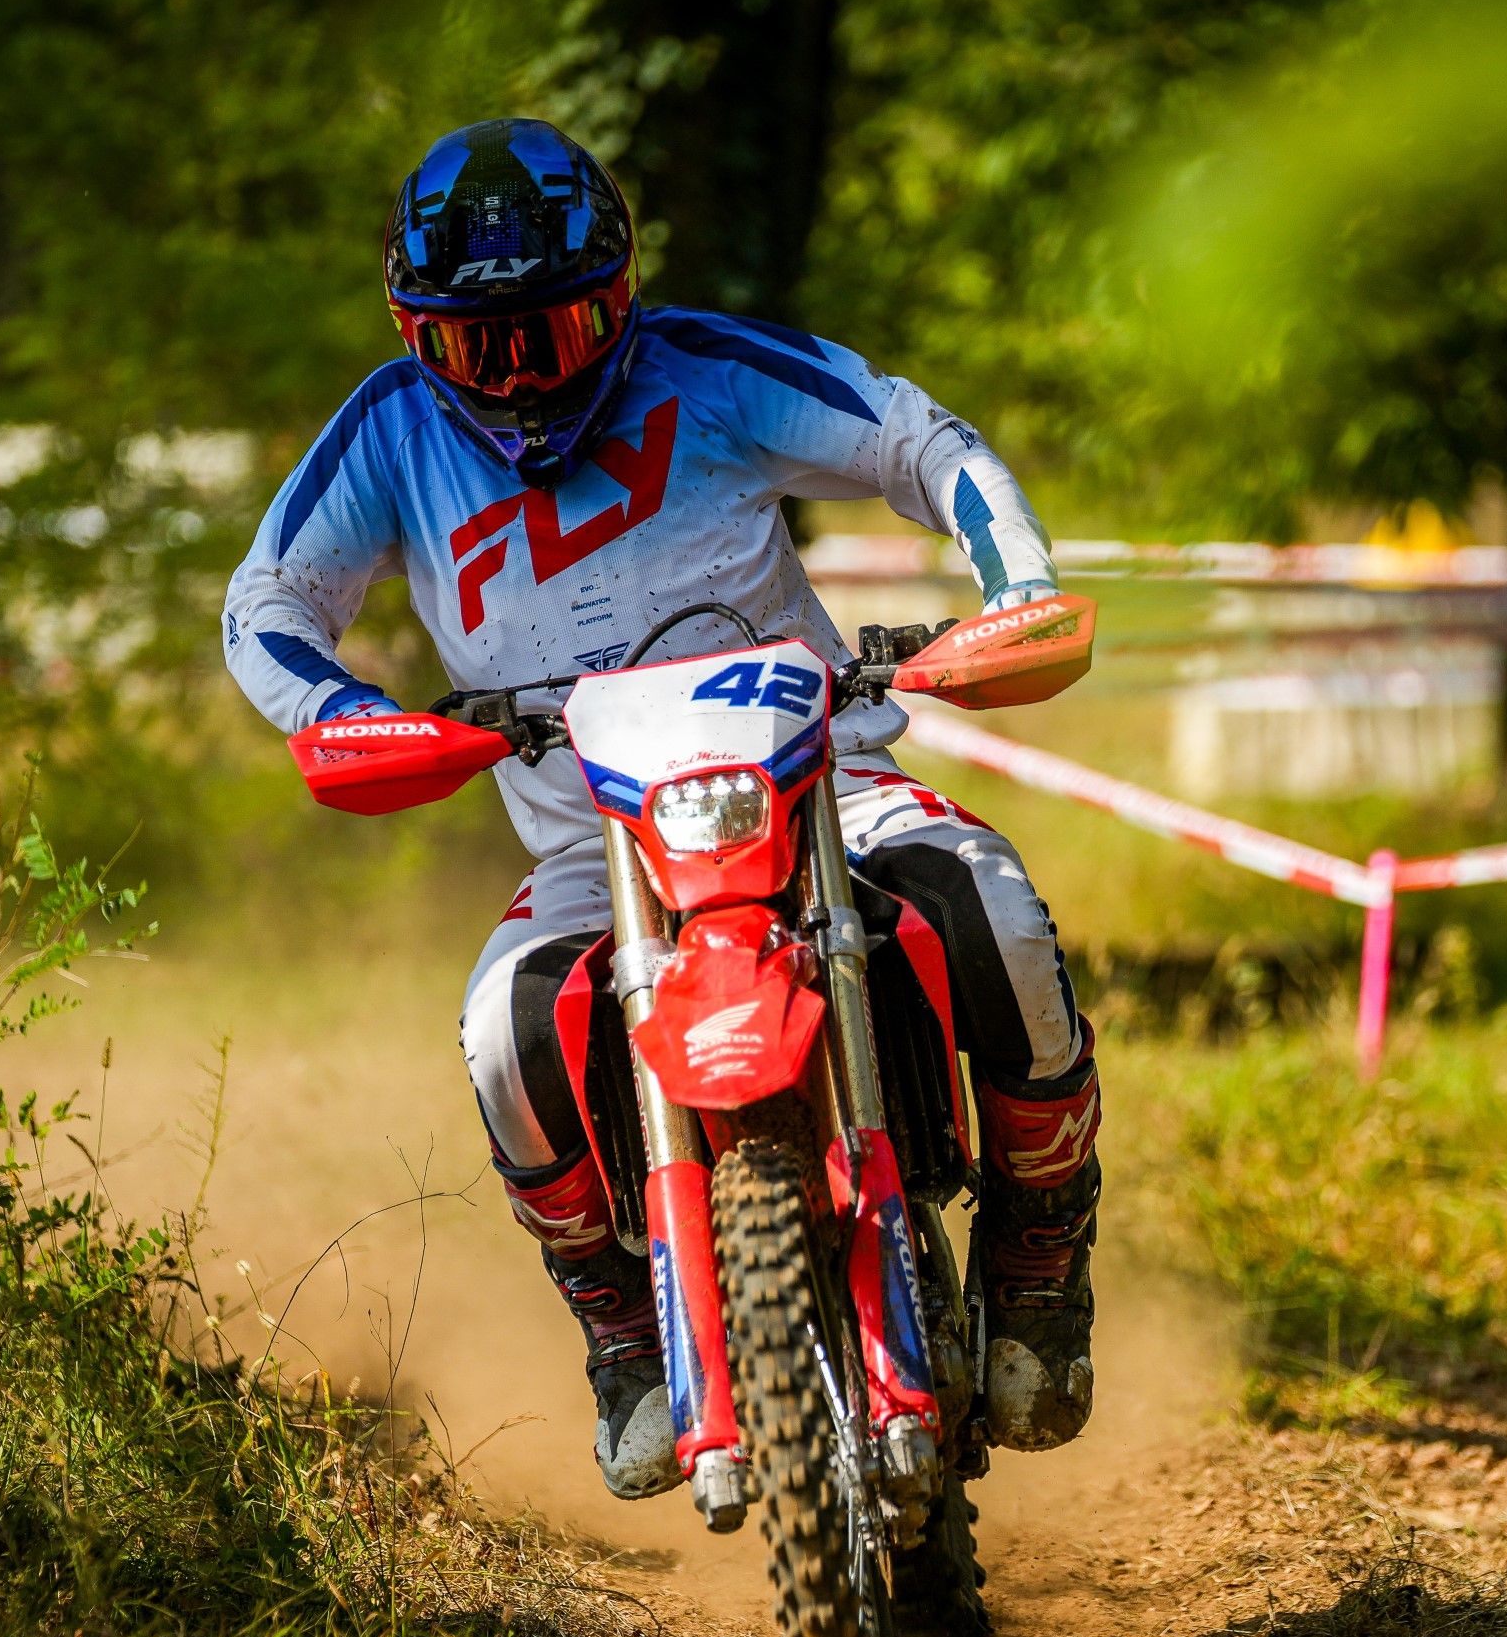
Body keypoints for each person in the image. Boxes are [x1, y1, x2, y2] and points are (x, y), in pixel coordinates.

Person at [221, 118, 1101, 1515]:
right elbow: (266, 605)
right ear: (415, 334)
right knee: (504, 1030)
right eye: (477, 345)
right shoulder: (390, 432)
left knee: (987, 905)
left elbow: (916, 439)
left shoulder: (708, 369)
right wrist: (341, 713)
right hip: (594, 844)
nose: (521, 374)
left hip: (822, 779)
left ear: (618, 299)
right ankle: (624, 1330)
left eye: (554, 328)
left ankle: (1043, 1250)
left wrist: (1016, 585)